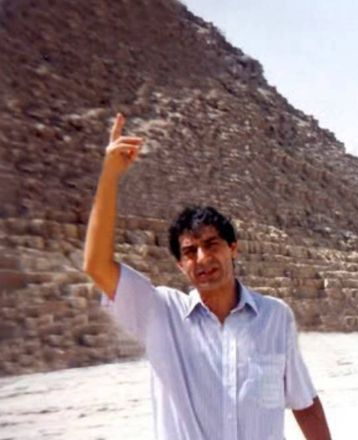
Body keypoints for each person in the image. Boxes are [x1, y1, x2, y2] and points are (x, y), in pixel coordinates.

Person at [83, 113, 332, 440]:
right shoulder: (160, 313)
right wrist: (110, 176)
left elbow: (303, 401)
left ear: (233, 248)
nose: (202, 258)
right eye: (190, 251)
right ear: (180, 265)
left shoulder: (275, 317)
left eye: (212, 244)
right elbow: (96, 265)